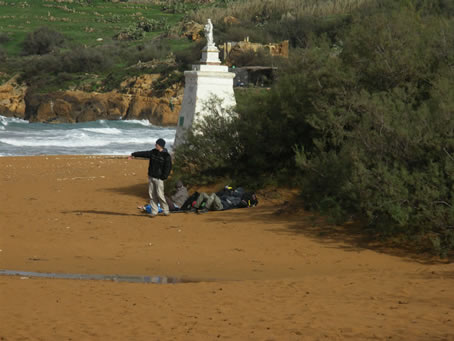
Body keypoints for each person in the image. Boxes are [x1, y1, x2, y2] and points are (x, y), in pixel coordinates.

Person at [130, 138, 172, 217]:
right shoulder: (153, 152)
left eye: (157, 144)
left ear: (161, 146)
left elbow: (168, 167)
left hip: (159, 179)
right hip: (151, 176)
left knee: (160, 195)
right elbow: (144, 153)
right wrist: (134, 154)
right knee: (152, 195)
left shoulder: (166, 156)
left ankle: (166, 210)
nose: (155, 145)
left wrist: (163, 177)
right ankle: (154, 211)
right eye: (156, 144)